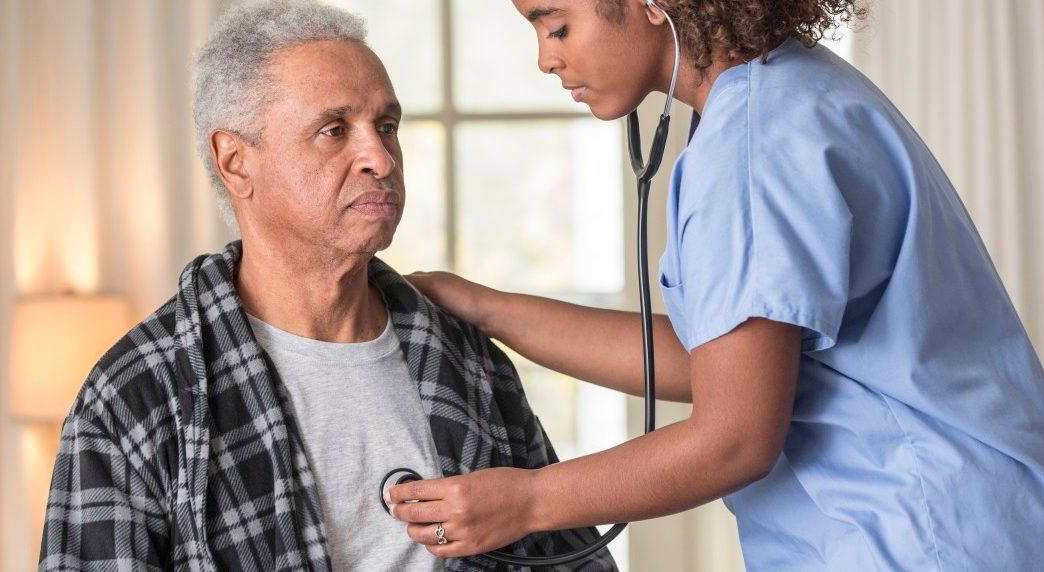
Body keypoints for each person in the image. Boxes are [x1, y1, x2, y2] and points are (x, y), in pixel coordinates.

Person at [384, 0, 1044, 570]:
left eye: (556, 24)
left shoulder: (751, 146)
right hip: (989, 525)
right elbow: (722, 363)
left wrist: (529, 502)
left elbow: (735, 437)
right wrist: (484, 307)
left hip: (921, 540)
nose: (545, 59)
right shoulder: (790, 92)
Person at [36, 1, 615, 570]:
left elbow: (574, 560)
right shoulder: (135, 396)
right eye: (335, 130)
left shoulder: (464, 357)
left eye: (386, 127)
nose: (381, 159)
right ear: (235, 162)